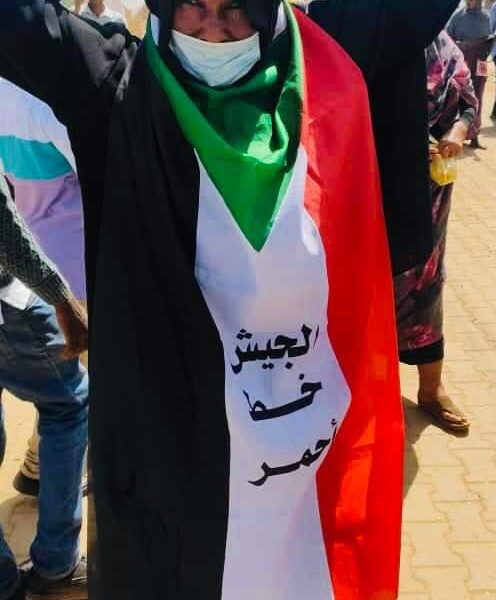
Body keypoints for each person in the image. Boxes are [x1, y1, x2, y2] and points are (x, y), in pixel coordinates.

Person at [0, 2, 404, 599]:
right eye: (193, 5)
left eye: (237, 9)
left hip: (294, 450)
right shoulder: (114, 88)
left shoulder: (323, 89)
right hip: (165, 457)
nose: (213, 31)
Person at [309, 0, 461, 275]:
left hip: (339, 185)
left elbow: (464, 101)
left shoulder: (318, 19)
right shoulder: (409, 21)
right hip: (389, 199)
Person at [0, 173, 89, 600]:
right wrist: (60, 297)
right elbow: (4, 227)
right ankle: (57, 563)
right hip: (9, 308)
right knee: (70, 405)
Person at [0, 77, 87, 498]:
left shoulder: (6, 96)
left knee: (60, 378)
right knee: (74, 384)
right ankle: (48, 472)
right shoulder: (50, 102)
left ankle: (35, 466)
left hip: (27, 256)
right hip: (72, 267)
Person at [394, 31, 478, 433]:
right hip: (365, 186)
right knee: (363, 287)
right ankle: (363, 391)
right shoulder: (357, 30)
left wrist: (456, 133)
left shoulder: (441, 46)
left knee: (425, 284)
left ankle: (431, 390)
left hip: (428, 191)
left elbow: (467, 104)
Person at [447, 0, 494, 148]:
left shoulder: (486, 17)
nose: (469, 1)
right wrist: (463, 46)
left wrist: (487, 43)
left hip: (480, 63)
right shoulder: (457, 15)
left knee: (477, 98)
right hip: (461, 63)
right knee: (459, 97)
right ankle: (455, 134)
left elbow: (490, 40)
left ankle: (474, 136)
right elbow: (447, 39)